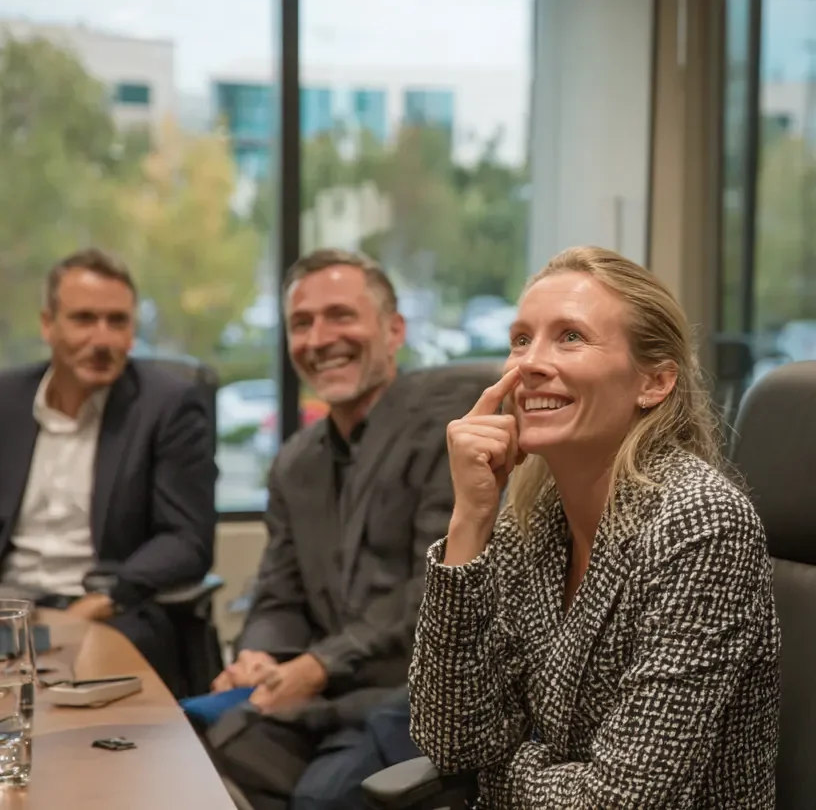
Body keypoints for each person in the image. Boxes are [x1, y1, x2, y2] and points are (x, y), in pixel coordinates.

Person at [410, 246, 780, 808]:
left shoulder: (703, 523)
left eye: (571, 337)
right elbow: (451, 740)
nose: (529, 363)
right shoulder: (528, 520)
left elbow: (624, 799)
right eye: (521, 338)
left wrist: (502, 775)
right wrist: (470, 521)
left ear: (653, 384)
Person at [207, 248, 486, 810]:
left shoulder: (448, 436)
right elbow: (279, 590)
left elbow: (434, 591)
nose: (319, 338)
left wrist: (318, 665)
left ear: (394, 330)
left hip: (414, 700)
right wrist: (260, 651)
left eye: (341, 316)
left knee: (322, 798)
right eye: (301, 324)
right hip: (321, 698)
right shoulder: (294, 462)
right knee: (201, 752)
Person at [0, 248, 217, 695]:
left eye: (117, 322)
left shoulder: (166, 406)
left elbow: (187, 540)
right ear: (48, 324)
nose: (103, 339)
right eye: (84, 319)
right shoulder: (7, 402)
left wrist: (99, 601)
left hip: (108, 610)